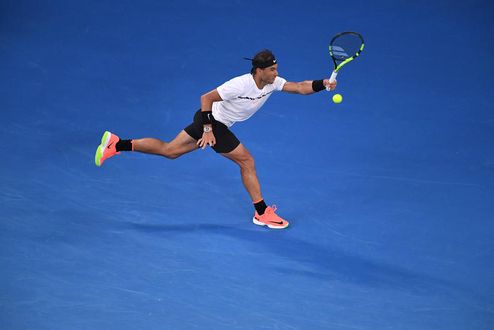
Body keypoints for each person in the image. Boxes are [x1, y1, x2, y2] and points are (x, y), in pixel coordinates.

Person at [95, 49, 336, 229]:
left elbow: (299, 87)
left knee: (170, 151)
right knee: (246, 161)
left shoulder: (272, 84)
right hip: (212, 122)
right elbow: (206, 98)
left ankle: (117, 144)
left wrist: (322, 85)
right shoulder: (239, 84)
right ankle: (261, 212)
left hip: (214, 124)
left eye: (276, 68)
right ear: (259, 70)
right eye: (272, 69)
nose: (277, 73)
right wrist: (209, 129)